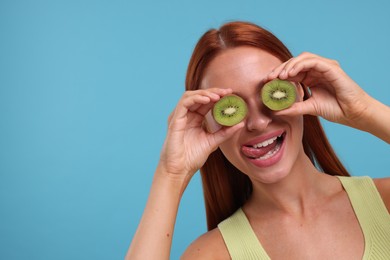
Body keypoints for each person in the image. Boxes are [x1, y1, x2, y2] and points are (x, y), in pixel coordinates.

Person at [126, 21, 390, 259]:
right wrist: (170, 175)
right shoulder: (212, 253)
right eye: (232, 108)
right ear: (206, 123)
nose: (258, 122)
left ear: (298, 91)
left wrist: (364, 111)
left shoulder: (385, 202)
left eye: (268, 94)